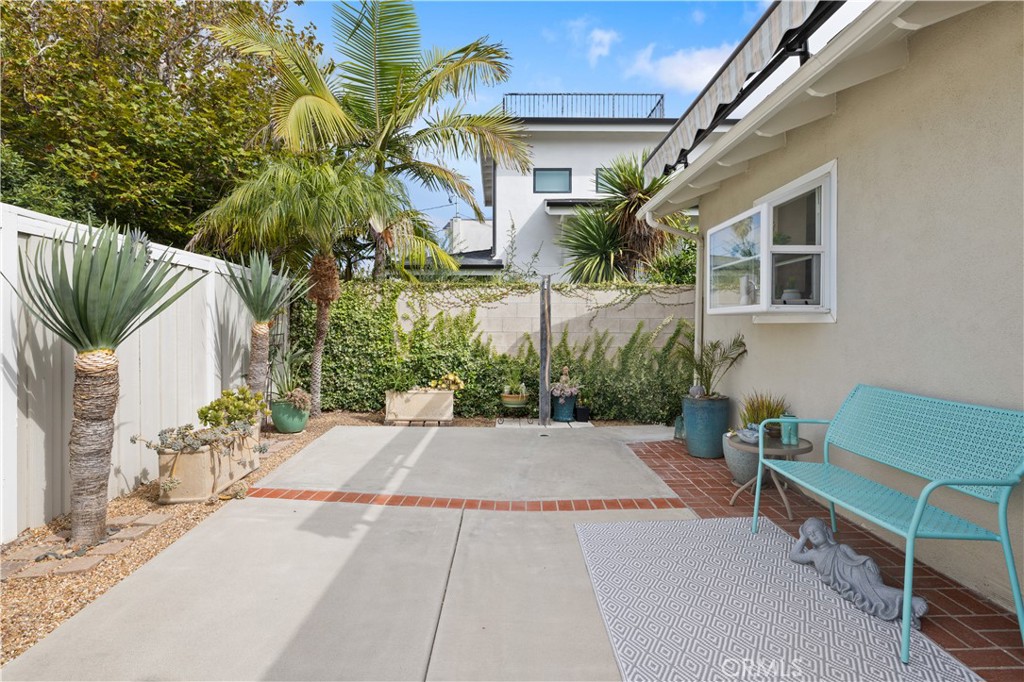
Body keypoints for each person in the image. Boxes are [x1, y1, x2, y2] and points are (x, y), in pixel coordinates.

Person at [790, 517, 928, 627]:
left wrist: (868, 561)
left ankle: (913, 601)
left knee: (874, 589)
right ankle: (905, 609)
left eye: (815, 530)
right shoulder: (813, 554)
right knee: (870, 595)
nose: (812, 535)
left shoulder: (841, 547)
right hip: (847, 581)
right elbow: (794, 556)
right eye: (809, 534)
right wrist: (802, 538)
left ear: (826, 531)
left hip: (859, 572)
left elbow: (857, 558)